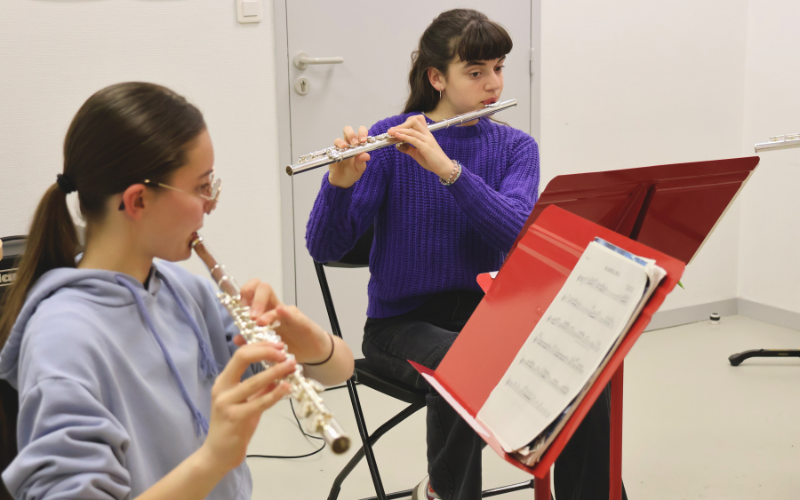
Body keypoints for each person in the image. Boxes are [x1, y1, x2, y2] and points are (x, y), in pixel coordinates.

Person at [305, 8, 626, 500]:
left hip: (488, 314)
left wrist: (448, 170)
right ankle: (446, 491)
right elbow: (324, 247)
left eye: (498, 68)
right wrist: (339, 185)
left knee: (581, 362)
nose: (493, 83)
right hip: (400, 325)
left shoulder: (516, 148)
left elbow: (515, 232)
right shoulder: (392, 140)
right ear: (437, 78)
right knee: (465, 364)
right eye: (475, 72)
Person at [0, 82, 354, 500]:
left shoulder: (183, 290)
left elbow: (341, 370)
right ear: (138, 201)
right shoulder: (63, 341)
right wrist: (214, 459)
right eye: (202, 186)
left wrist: (311, 343)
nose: (211, 203)